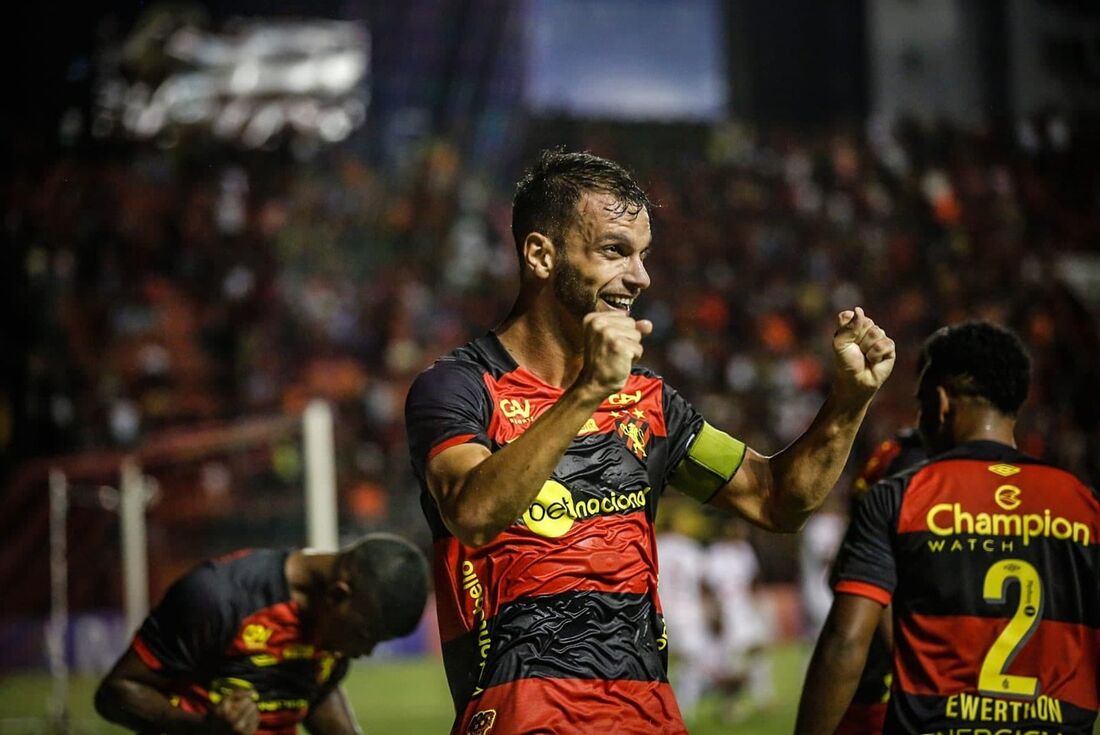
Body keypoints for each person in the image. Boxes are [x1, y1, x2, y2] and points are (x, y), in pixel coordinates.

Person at [404, 148, 895, 734]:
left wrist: (848, 401)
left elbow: (776, 498)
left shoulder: (650, 403)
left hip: (650, 715)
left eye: (642, 255)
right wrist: (586, 393)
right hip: (522, 714)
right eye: (614, 250)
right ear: (540, 254)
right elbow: (474, 514)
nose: (640, 276)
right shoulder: (457, 389)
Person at [795, 321, 1100, 734]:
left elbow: (845, 642)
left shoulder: (899, 496)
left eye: (921, 403)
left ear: (939, 402)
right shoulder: (1083, 504)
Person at [95, 533, 429, 735]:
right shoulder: (217, 597)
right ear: (337, 595)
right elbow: (115, 693)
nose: (364, 652)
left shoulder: (334, 628)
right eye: (366, 635)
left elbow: (313, 690)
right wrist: (203, 730)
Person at [834, 428, 925, 735]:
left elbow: (843, 566)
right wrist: (906, 662)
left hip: (871, 672)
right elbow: (883, 574)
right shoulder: (917, 463)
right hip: (895, 675)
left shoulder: (888, 451)